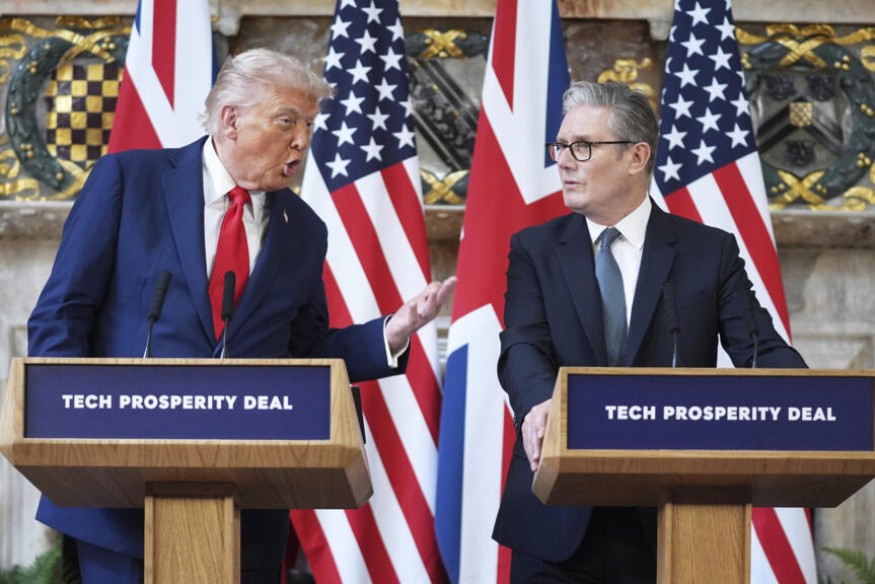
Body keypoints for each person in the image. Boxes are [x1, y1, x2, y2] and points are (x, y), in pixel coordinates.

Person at [27, 48, 455, 584]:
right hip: (118, 498)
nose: (302, 140)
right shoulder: (129, 181)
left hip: (246, 507)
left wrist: (390, 333)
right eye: (287, 121)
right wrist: (67, 431)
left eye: (308, 125)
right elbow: (63, 313)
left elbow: (305, 352)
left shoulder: (304, 228)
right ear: (230, 119)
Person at [491, 81, 806, 583]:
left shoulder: (709, 252)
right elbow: (522, 344)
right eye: (560, 146)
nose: (564, 162)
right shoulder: (535, 248)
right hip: (558, 516)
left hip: (675, 515)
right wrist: (539, 403)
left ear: (636, 157)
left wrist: (817, 405)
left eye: (582, 147)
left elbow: (761, 351)